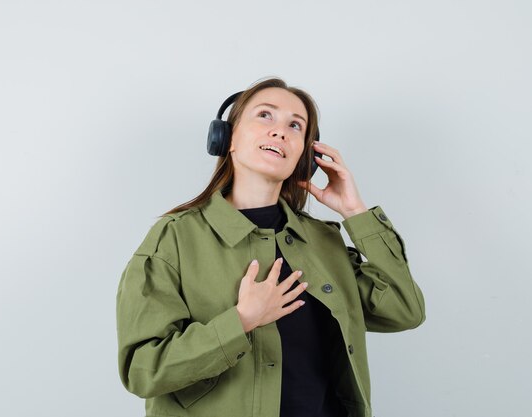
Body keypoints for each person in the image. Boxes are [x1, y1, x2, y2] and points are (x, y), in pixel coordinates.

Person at [116, 77, 426, 417]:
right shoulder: (174, 238)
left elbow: (404, 310)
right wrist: (241, 320)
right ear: (227, 138)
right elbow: (141, 371)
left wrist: (356, 213)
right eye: (265, 115)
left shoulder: (324, 241)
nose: (280, 131)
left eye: (296, 125)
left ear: (305, 157)